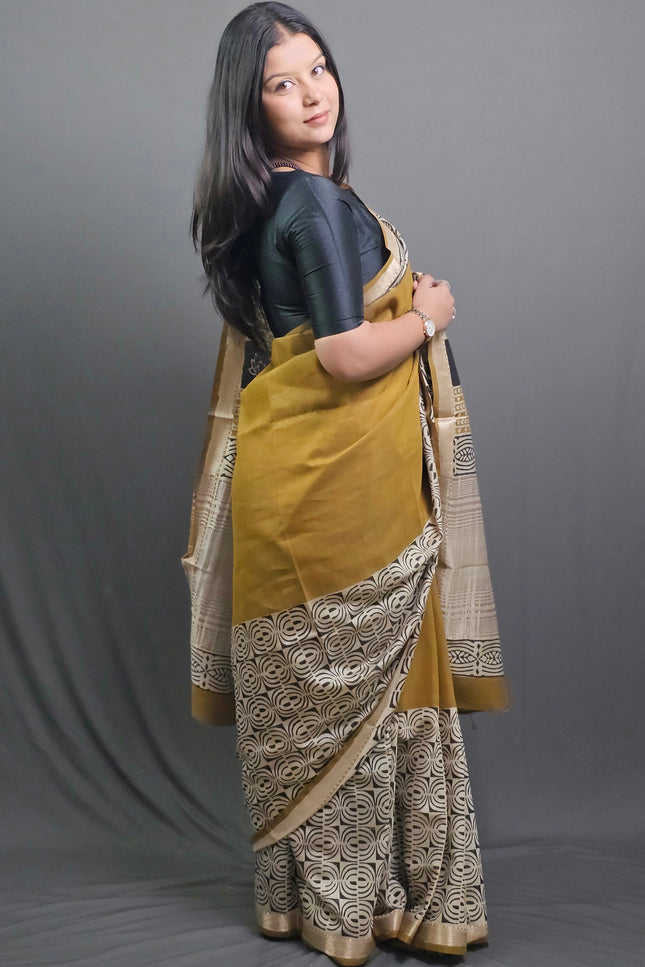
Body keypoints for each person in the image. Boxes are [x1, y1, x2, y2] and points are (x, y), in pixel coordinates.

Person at [182, 3, 509, 964]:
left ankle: (309, 905)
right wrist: (429, 315)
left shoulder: (257, 209)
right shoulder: (318, 205)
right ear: (252, 109)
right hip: (347, 492)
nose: (311, 92)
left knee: (316, 701)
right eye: (281, 83)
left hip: (282, 491)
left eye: (316, 68)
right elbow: (340, 353)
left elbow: (268, 363)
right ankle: (384, 907)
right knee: (382, 691)